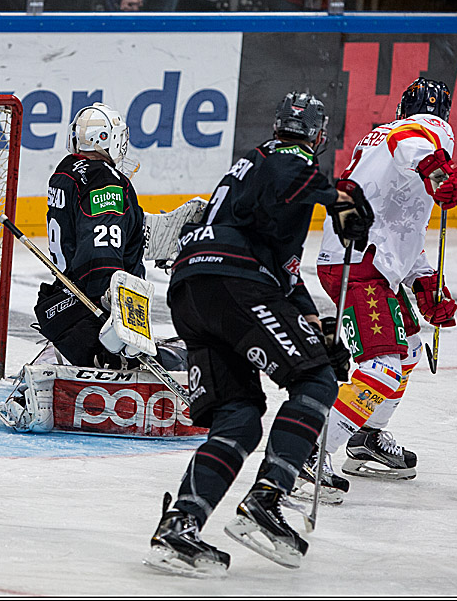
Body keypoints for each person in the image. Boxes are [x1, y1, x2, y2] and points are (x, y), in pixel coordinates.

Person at [145, 92, 374, 577]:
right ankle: (265, 502)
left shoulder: (253, 173)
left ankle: (179, 525)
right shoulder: (287, 157)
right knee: (315, 383)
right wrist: (339, 198)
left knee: (241, 418)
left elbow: (285, 276)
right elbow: (288, 179)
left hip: (193, 292)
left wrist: (316, 330)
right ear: (317, 135)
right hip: (234, 283)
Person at [302, 78, 457, 502]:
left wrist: (425, 280)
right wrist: (436, 166)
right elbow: (413, 136)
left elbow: (401, 224)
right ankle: (306, 452)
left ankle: (365, 437)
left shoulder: (384, 141)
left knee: (408, 349)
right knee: (382, 366)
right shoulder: (420, 133)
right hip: (357, 264)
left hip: (367, 260)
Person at [33, 102, 146, 369]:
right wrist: (115, 316)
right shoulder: (103, 180)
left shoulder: (66, 172)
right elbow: (101, 252)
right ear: (107, 139)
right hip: (91, 315)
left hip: (65, 298)